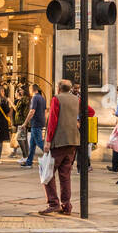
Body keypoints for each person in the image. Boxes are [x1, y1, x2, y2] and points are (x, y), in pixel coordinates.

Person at [39, 80, 79, 217]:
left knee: (47, 172)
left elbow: (52, 121)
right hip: (72, 142)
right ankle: (66, 205)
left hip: (59, 142)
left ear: (58, 88)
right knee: (65, 175)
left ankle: (53, 203)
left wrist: (48, 141)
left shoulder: (57, 99)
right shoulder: (76, 99)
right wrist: (77, 123)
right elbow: (90, 112)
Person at [20, 83, 46, 168]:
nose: (29, 91)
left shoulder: (35, 98)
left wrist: (25, 123)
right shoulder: (42, 98)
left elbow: (32, 111)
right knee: (32, 144)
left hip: (36, 123)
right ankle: (29, 162)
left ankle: (52, 156)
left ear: (33, 90)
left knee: (39, 142)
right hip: (40, 122)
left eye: (30, 89)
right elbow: (45, 111)